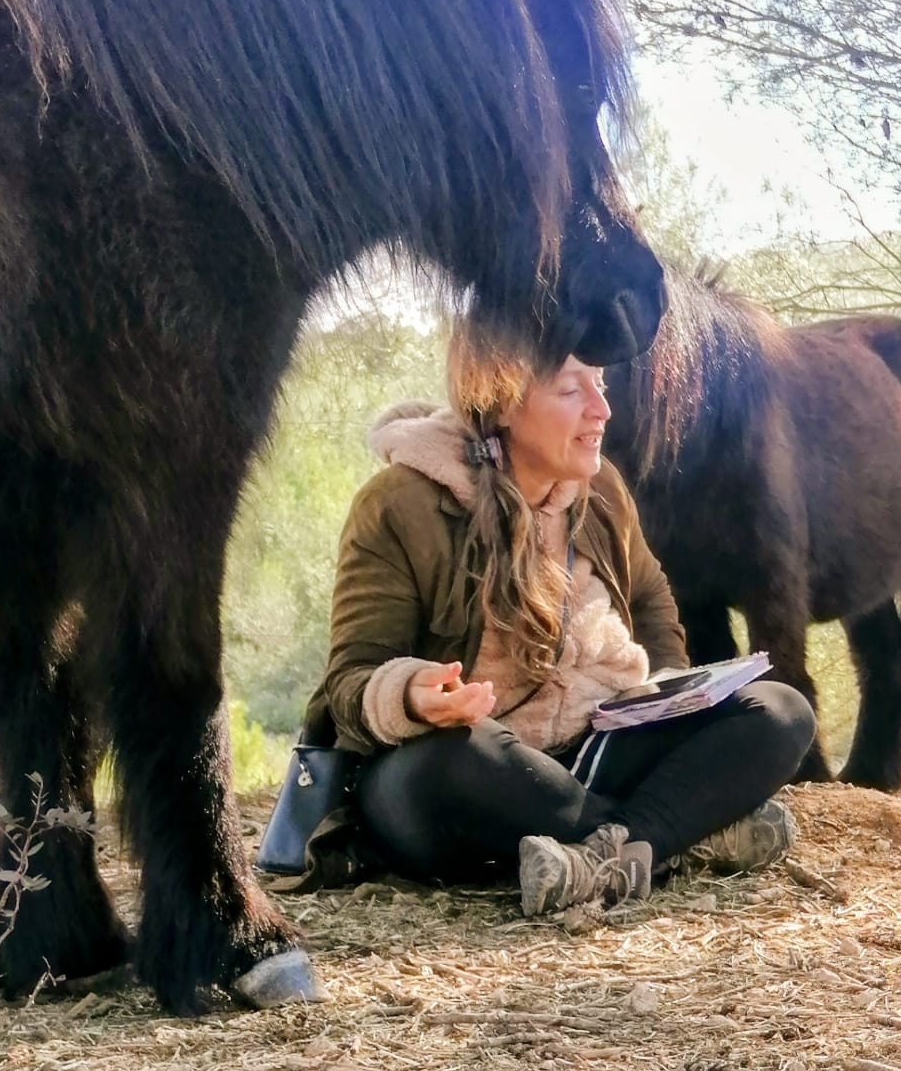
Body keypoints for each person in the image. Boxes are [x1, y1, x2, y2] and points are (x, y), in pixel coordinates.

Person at [300, 328, 817, 913]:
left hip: (597, 749)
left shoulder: (603, 490)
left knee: (780, 710)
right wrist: (413, 695)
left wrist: (669, 695)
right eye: (572, 390)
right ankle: (669, 837)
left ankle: (602, 853)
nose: (602, 410)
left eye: (601, 385)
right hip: (480, 770)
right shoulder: (399, 504)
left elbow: (650, 600)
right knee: (446, 765)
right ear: (500, 400)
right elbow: (351, 678)